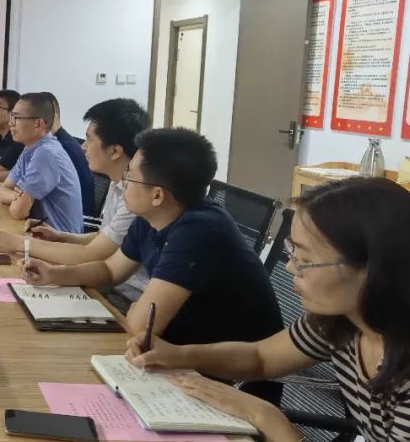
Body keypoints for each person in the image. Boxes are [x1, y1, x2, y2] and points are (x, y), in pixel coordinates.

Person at [125, 177, 410, 442]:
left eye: (305, 260)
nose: (291, 268)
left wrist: (264, 415)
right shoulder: (341, 322)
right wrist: (176, 355)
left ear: (372, 269)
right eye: (292, 253)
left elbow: (261, 385)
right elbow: (261, 357)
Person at [21, 127, 283, 347]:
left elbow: (140, 326)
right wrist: (54, 274)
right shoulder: (154, 216)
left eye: (130, 177)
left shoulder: (198, 232)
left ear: (157, 195)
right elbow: (110, 270)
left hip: (223, 377)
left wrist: (138, 310)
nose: (124, 183)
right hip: (178, 350)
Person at [0, 98, 148, 268]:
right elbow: (103, 237)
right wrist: (59, 236)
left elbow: (92, 254)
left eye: (89, 140)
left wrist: (20, 243)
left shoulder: (136, 195)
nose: (83, 147)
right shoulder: (118, 183)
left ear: (114, 151)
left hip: (111, 278)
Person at [0, 93, 83, 232]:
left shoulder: (46, 153)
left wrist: (19, 200)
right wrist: (16, 196)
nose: (10, 123)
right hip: (37, 231)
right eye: (12, 116)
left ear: (38, 123)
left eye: (16, 118)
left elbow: (18, 212)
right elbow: (3, 190)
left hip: (58, 239)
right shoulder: (30, 148)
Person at [46, 92, 96, 217]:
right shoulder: (48, 144)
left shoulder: (61, 148)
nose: (83, 147)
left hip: (69, 220)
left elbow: (27, 194)